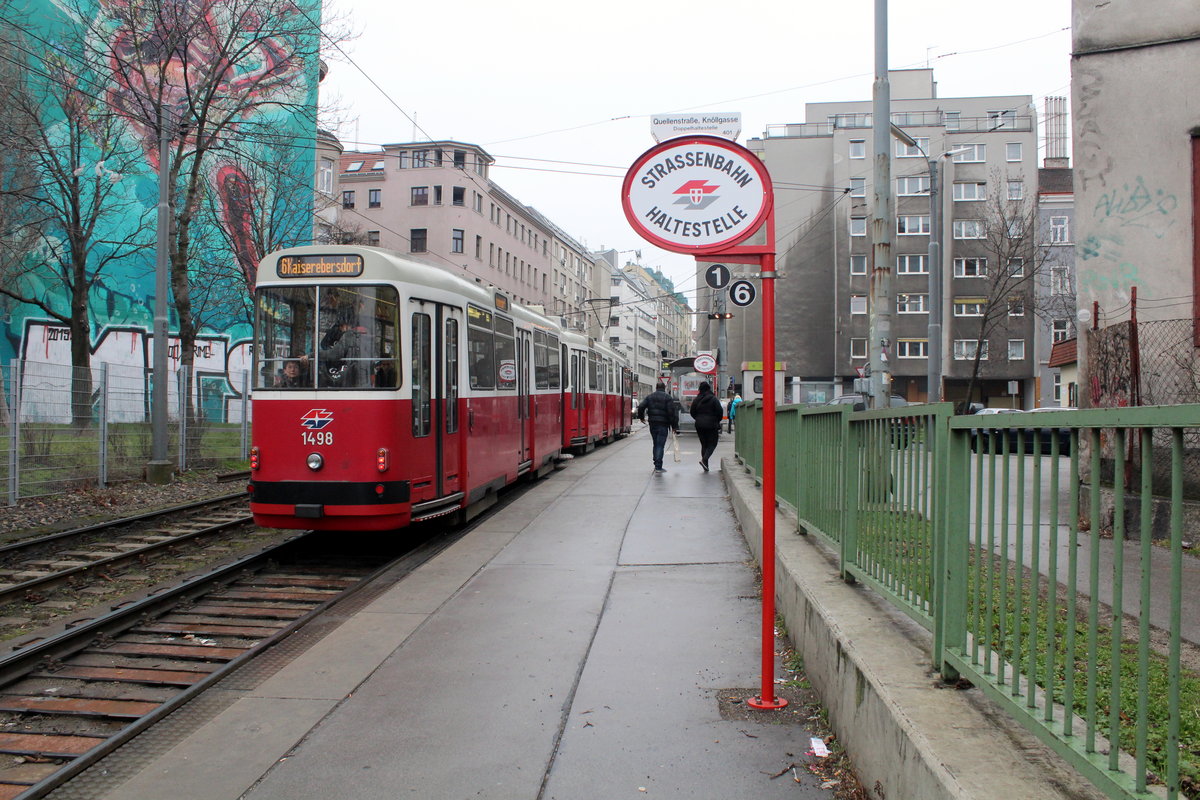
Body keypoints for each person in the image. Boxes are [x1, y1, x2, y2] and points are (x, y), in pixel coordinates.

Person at [636, 381, 679, 473]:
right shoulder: (668, 398)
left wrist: (641, 417)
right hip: (663, 424)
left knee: (655, 443)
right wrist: (674, 426)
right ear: (664, 388)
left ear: (656, 387)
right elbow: (672, 413)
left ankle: (656, 463)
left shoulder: (650, 397)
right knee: (660, 445)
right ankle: (658, 466)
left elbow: (641, 407)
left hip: (653, 423)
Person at [689, 381, 723, 471]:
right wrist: (716, 420)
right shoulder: (714, 399)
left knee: (704, 444)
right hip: (711, 424)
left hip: (699, 424)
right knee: (712, 443)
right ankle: (704, 459)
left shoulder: (697, 399)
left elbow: (692, 412)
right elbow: (720, 412)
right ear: (709, 389)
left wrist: (698, 418)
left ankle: (706, 465)